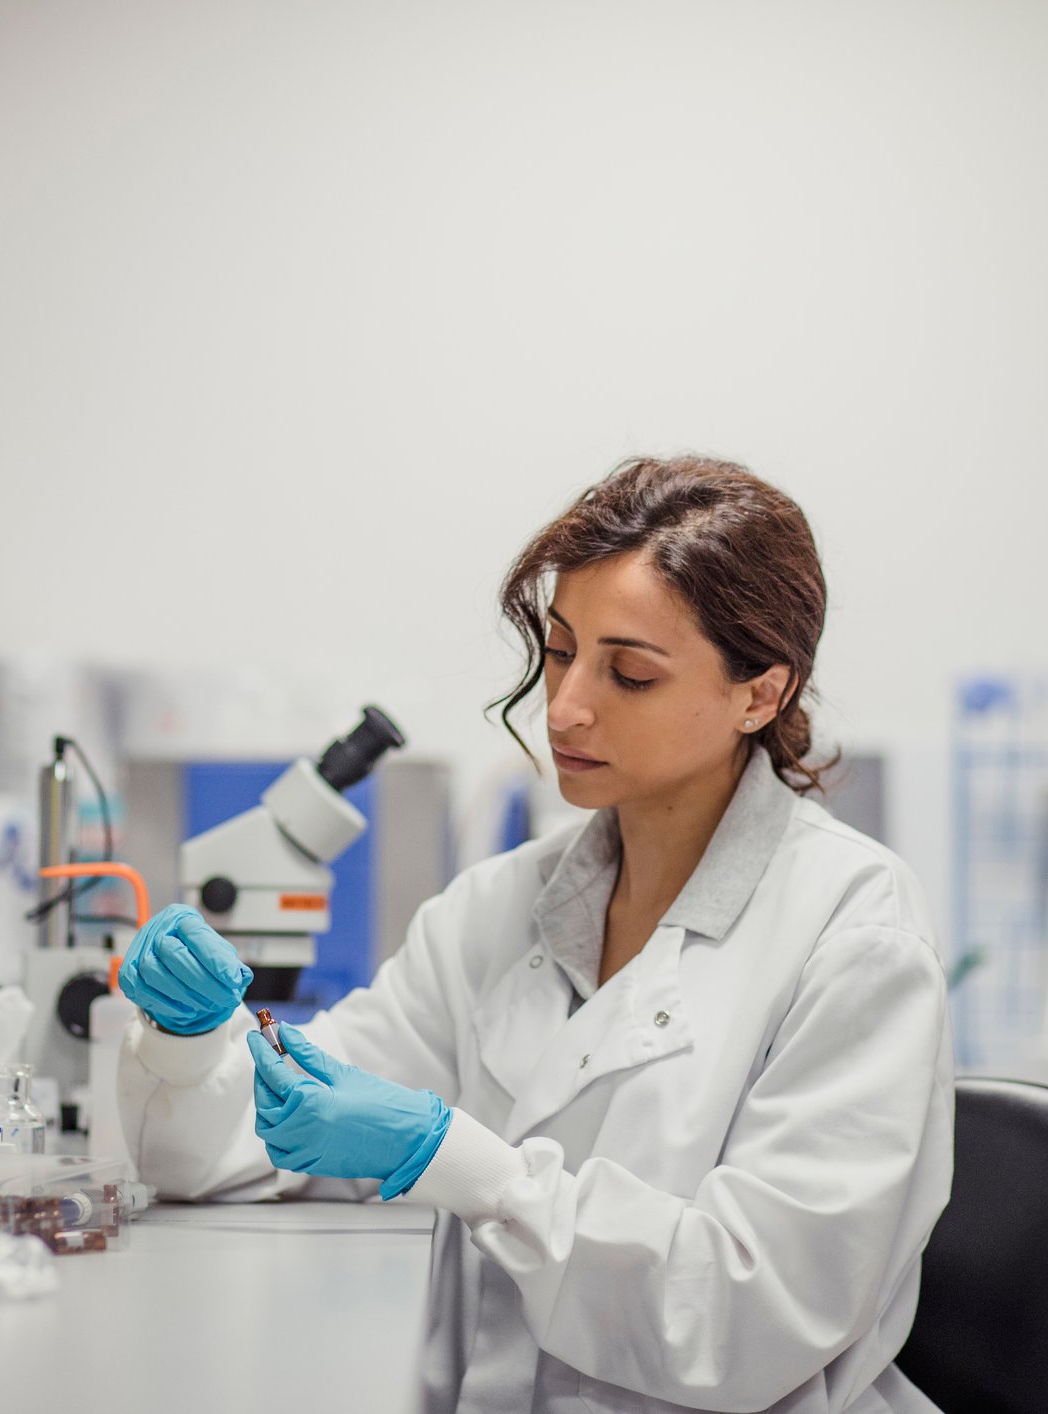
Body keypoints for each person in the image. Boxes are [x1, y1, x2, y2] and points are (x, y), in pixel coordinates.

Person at [116, 455, 953, 1414]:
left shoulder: (854, 932)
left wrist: (464, 1166)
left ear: (758, 695)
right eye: (559, 654)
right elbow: (220, 1156)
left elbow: (742, 1317)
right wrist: (185, 1047)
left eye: (628, 674)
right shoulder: (497, 909)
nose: (564, 707)